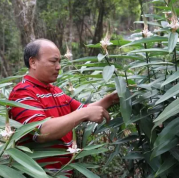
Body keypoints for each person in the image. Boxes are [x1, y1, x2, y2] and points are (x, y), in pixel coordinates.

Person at [8, 38, 119, 175]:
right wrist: (84, 113)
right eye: (53, 61)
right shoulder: (22, 92)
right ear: (33, 62)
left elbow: (84, 109)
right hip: (39, 174)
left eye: (59, 61)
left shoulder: (55, 91)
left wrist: (112, 98)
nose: (59, 66)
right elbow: (41, 132)